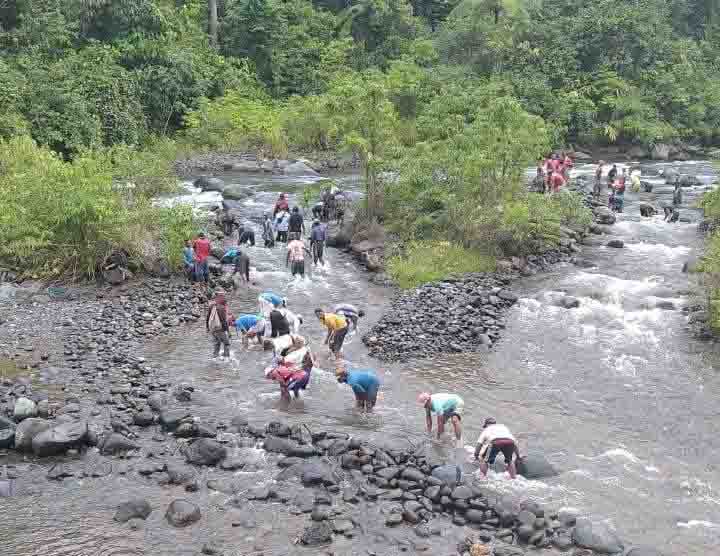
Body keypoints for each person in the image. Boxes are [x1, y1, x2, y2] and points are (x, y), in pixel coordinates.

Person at [206, 290, 230, 359]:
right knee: (226, 343)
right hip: (220, 329)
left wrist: (207, 328)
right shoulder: (221, 308)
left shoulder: (211, 306)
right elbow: (224, 322)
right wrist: (228, 331)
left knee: (217, 343)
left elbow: (207, 318)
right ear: (219, 298)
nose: (224, 298)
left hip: (212, 328)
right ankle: (226, 358)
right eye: (223, 297)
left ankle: (215, 357)